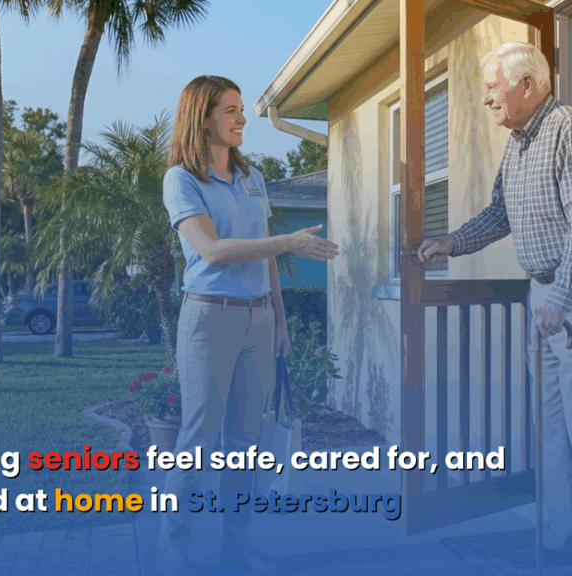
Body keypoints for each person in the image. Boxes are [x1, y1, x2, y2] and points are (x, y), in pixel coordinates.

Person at [415, 42, 572, 574]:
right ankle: (558, 543)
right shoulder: (517, 144)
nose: (486, 96)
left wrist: (558, 300)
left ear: (529, 85)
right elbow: (499, 214)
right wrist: (452, 242)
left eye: (493, 85)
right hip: (548, 294)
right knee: (550, 430)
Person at [159, 75, 339, 576]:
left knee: (245, 443)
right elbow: (213, 250)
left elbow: (264, 262)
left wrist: (278, 322)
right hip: (208, 318)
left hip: (259, 319)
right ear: (203, 118)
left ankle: (235, 549)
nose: (241, 119)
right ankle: (174, 549)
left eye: (241, 109)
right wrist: (289, 243)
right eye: (230, 110)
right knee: (197, 439)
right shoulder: (182, 179)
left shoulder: (252, 177)